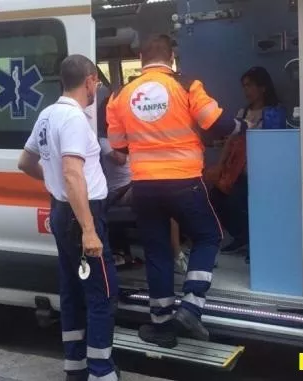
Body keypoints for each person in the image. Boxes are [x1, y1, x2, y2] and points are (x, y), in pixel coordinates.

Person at [106, 34, 249, 348]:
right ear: (171, 58)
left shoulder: (120, 95)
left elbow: (118, 146)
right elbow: (219, 124)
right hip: (185, 182)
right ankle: (192, 306)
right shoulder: (186, 86)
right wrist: (243, 126)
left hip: (143, 186)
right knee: (209, 235)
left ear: (142, 58)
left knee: (157, 251)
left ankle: (161, 325)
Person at [17, 54, 119, 381]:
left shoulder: (47, 115)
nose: (97, 89)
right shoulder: (74, 119)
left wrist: (52, 184)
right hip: (81, 215)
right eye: (97, 83)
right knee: (101, 294)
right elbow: (74, 174)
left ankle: (75, 368)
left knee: (73, 292)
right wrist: (90, 230)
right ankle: (102, 372)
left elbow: (24, 162)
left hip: (62, 212)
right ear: (89, 80)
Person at [91, 94, 189, 274]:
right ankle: (176, 255)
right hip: (120, 191)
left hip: (137, 182)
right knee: (163, 194)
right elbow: (120, 159)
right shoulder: (104, 140)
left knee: (174, 191)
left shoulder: (127, 135)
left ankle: (177, 249)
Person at [205, 66, 281, 263]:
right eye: (244, 86)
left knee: (248, 205)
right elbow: (232, 140)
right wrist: (220, 166)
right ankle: (243, 236)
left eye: (250, 85)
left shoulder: (274, 113)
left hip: (263, 171)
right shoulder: (243, 112)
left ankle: (256, 242)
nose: (246, 90)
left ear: (262, 87)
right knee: (216, 198)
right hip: (239, 170)